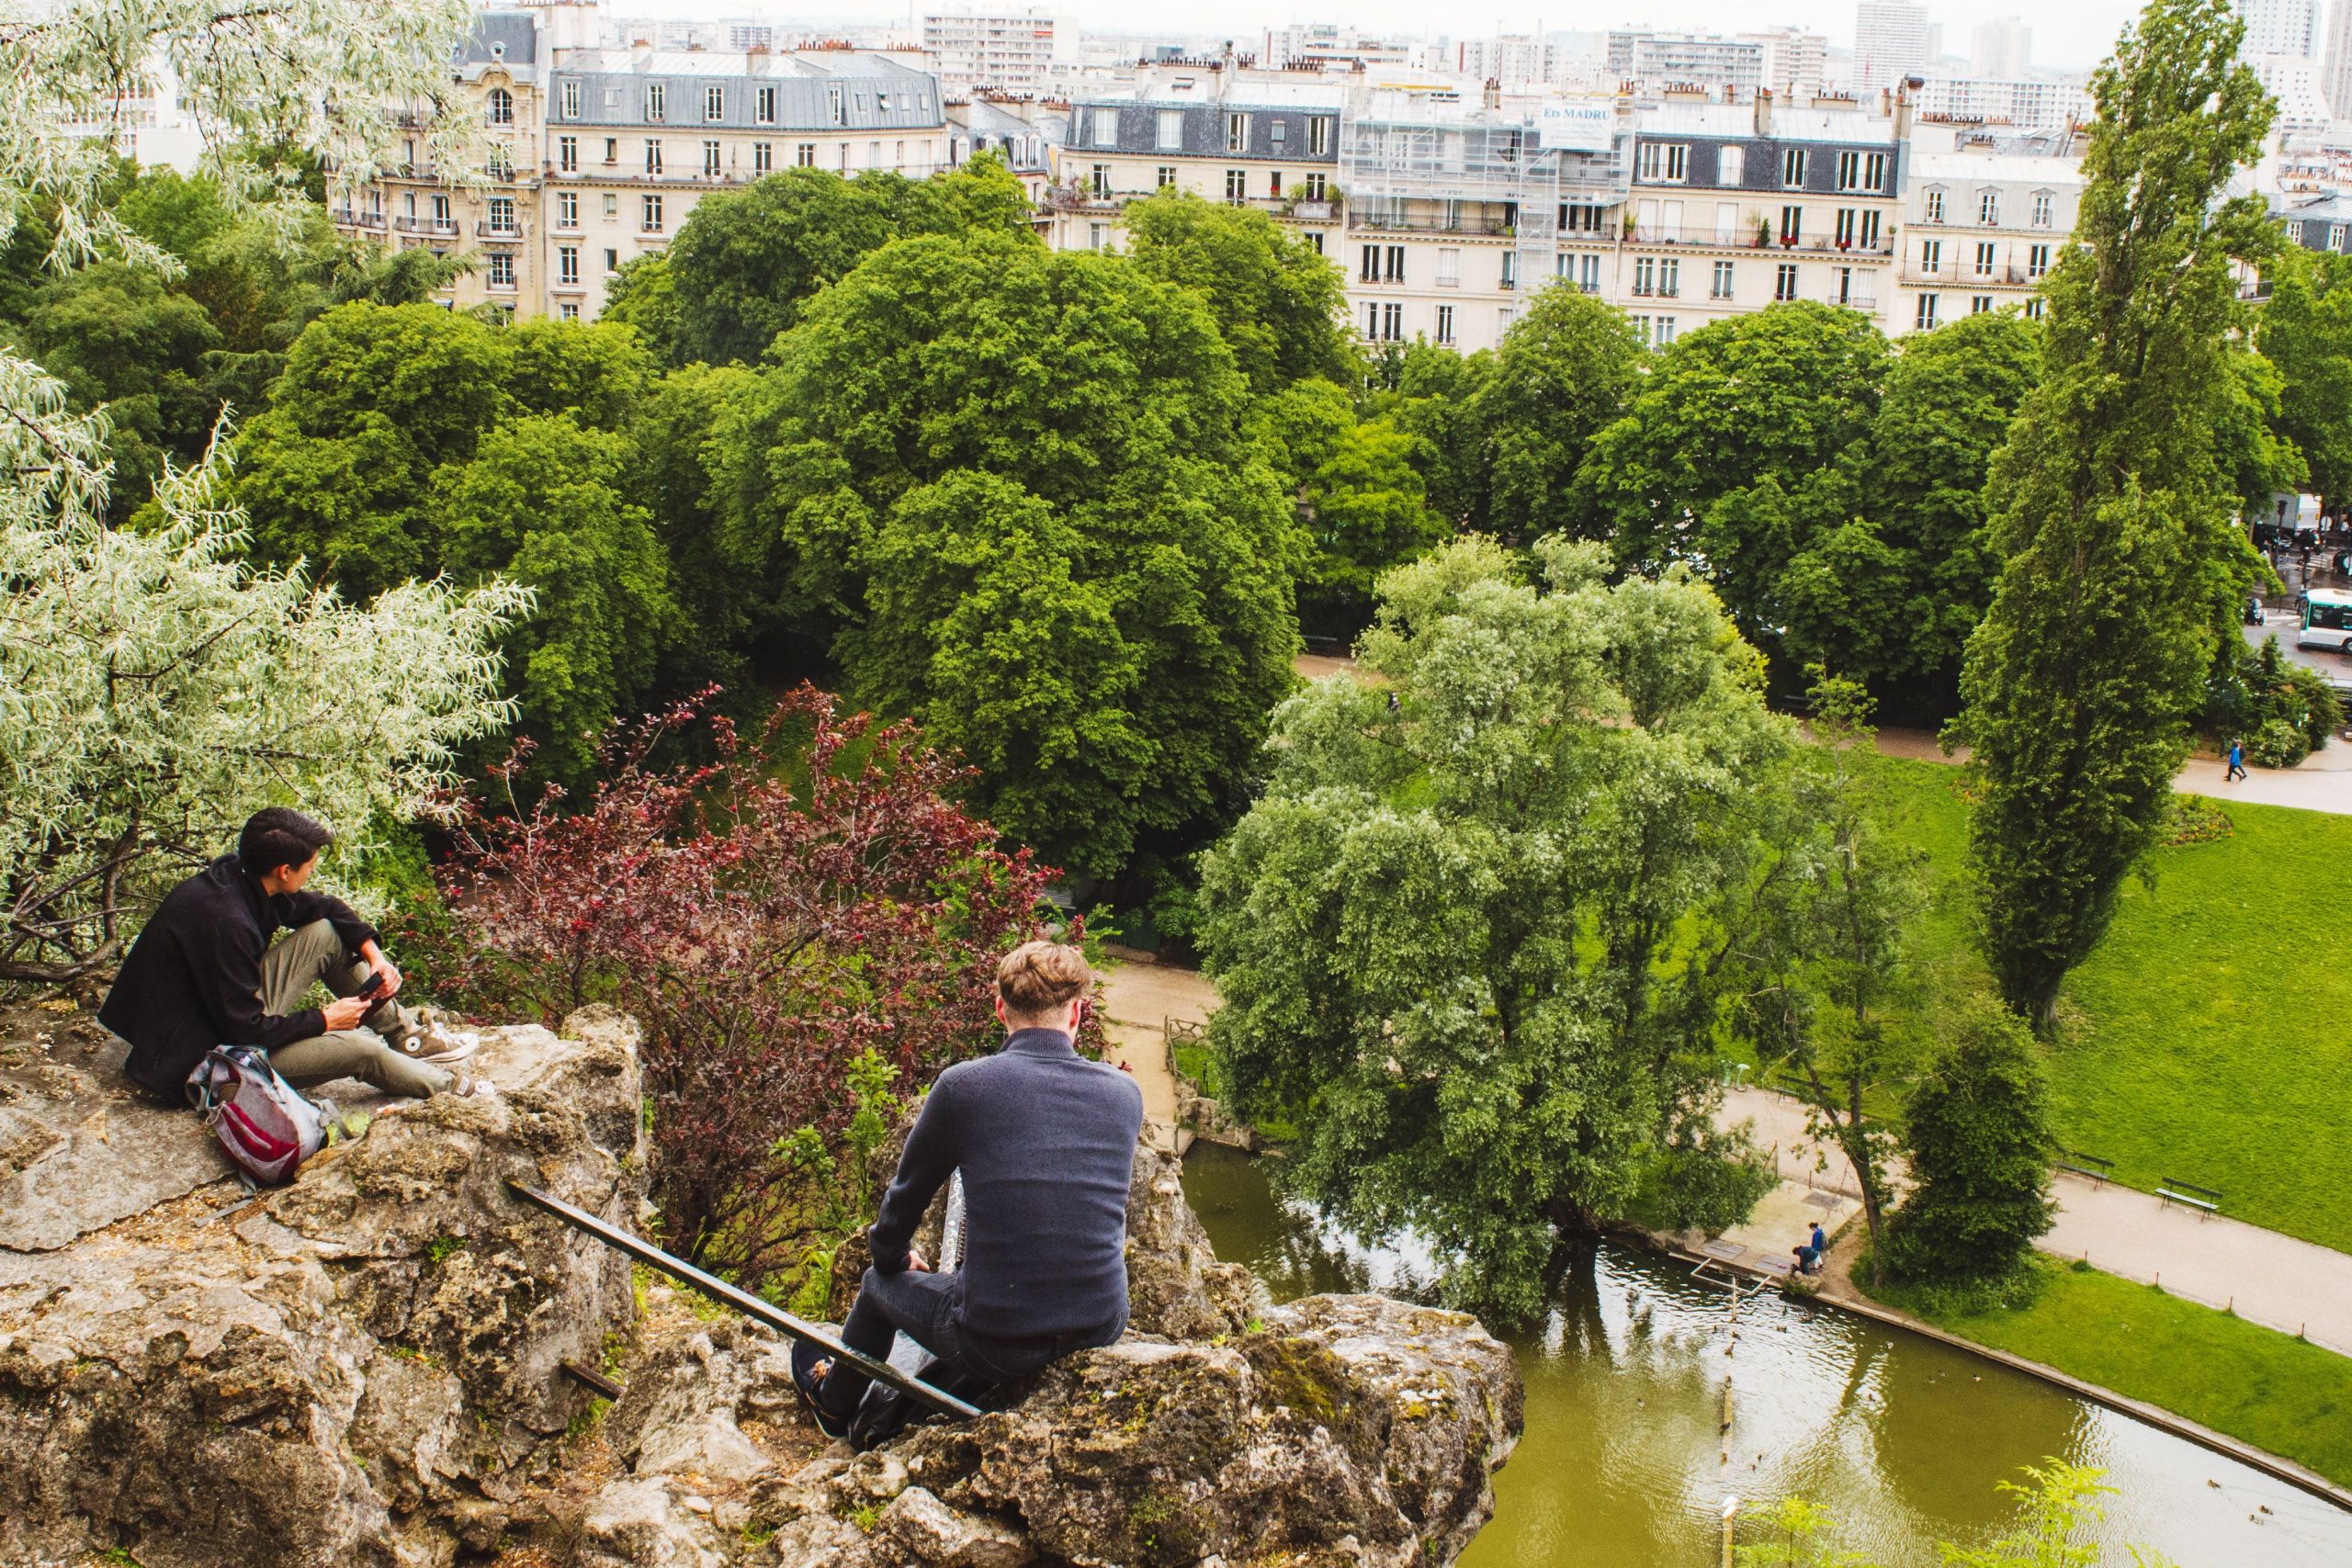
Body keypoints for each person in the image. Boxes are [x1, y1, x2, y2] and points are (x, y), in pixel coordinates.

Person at [798, 940, 1145, 1438]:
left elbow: (904, 1202)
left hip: (994, 1340)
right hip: (1100, 1324)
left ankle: (833, 1407)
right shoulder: (1124, 1094)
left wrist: (891, 1260)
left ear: (1001, 1008)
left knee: (877, 1287)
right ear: (1078, 1014)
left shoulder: (965, 1087)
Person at [100, 807, 483, 1105]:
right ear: (284, 871)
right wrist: (325, 1020)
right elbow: (243, 1031)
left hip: (214, 1013)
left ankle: (405, 1037)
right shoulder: (227, 922)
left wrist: (375, 957)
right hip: (205, 1059)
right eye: (310, 867)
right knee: (362, 1051)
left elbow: (327, 908)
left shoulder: (241, 878)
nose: (311, 875)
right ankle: (454, 1091)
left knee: (327, 935)